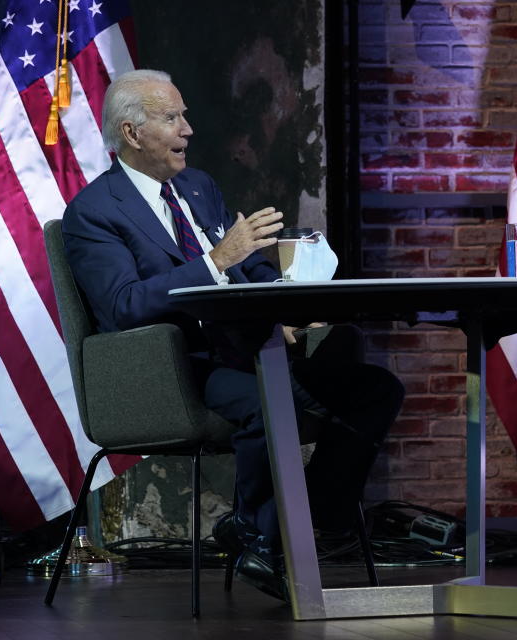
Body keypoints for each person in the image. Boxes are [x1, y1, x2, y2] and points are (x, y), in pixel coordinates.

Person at [61, 69, 404, 600]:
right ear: (132, 133)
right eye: (172, 118)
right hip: (182, 366)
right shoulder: (95, 212)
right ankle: (267, 539)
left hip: (252, 349)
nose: (188, 130)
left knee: (376, 390)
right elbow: (124, 306)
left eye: (184, 115)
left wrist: (290, 301)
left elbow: (248, 270)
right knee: (272, 403)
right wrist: (218, 258)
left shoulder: (198, 187)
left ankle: (278, 524)